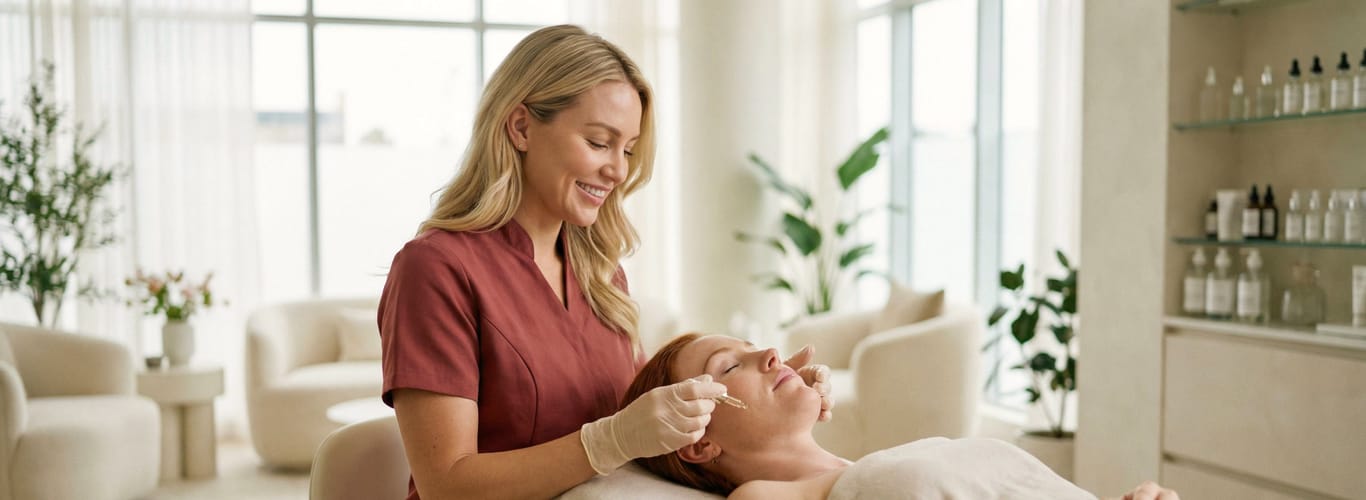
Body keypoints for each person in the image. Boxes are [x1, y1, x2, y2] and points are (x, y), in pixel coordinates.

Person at [378, 25, 831, 500]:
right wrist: (606, 442)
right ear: (520, 127)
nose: (618, 170)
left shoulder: (601, 273)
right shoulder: (435, 270)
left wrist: (781, 401)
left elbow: (649, 426)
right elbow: (446, 485)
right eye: (599, 142)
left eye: (629, 150)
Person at [623, 333, 1182, 500]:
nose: (769, 354)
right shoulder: (762, 498)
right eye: (729, 366)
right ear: (696, 442)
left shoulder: (870, 465)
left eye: (752, 345)